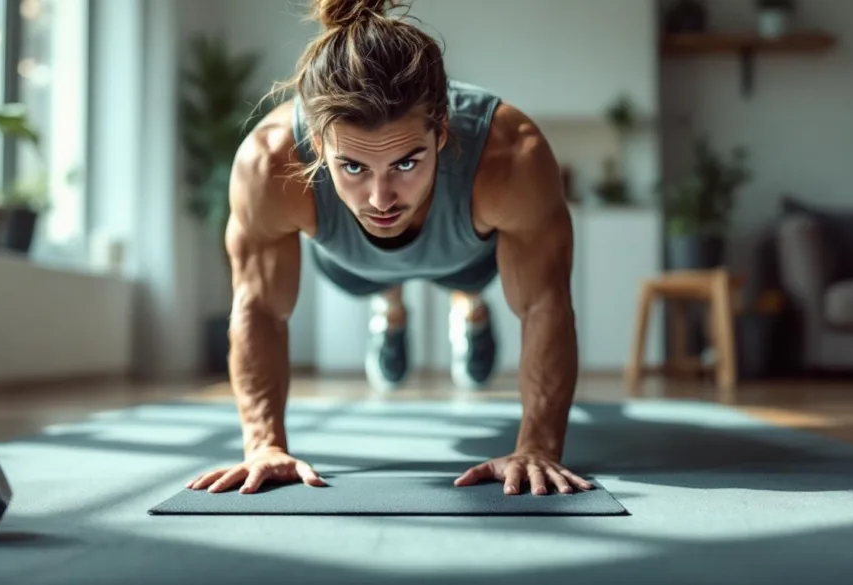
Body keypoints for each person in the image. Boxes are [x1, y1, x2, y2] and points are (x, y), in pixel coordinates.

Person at [187, 0, 593, 497]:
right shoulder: (268, 163)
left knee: (469, 281)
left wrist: (539, 447)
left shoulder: (511, 156)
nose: (380, 200)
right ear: (317, 142)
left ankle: (467, 303)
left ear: (441, 132)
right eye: (353, 167)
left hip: (469, 259)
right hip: (351, 266)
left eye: (405, 163)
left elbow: (543, 303)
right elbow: (261, 309)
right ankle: (392, 303)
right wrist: (264, 445)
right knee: (374, 279)